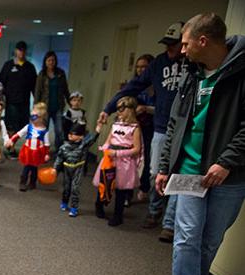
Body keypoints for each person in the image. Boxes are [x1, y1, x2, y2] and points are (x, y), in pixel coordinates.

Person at [155, 13, 245, 275]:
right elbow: (176, 123)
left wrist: (227, 162)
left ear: (202, 41)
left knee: (210, 240)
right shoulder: (192, 74)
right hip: (190, 170)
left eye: (185, 42)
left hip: (230, 176)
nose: (182, 50)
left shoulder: (240, 71)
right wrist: (165, 166)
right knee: (187, 238)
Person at [97, 22, 188, 240]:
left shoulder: (193, 65)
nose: (170, 49)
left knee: (179, 176)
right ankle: (154, 211)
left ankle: (169, 222)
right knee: (156, 173)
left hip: (186, 130)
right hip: (161, 127)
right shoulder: (158, 64)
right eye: (167, 44)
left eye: (174, 44)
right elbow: (133, 87)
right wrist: (109, 109)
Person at [94, 97, 143, 226]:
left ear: (130, 110)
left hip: (124, 161)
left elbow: (137, 149)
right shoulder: (115, 124)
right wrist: (104, 148)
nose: (119, 112)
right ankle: (99, 205)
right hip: (110, 158)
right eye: (118, 109)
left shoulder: (135, 127)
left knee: (120, 190)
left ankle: (118, 215)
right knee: (104, 182)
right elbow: (109, 139)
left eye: (122, 109)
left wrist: (118, 153)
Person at [54, 122, 99, 217]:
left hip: (78, 168)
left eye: (74, 134)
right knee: (66, 187)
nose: (70, 135)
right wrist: (55, 169)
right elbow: (59, 158)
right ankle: (64, 202)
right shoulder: (64, 147)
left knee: (75, 188)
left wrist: (98, 128)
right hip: (67, 168)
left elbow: (92, 139)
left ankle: (74, 208)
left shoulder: (83, 145)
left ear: (81, 136)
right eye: (70, 133)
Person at [0, 41, 37, 134]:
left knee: (22, 126)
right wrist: (2, 96)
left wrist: (36, 101)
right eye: (19, 50)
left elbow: (34, 85)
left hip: (24, 101)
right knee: (11, 125)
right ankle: (10, 145)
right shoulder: (8, 65)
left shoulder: (30, 67)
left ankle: (17, 143)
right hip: (11, 101)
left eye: (23, 50)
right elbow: (1, 82)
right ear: (16, 51)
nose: (21, 53)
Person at [10, 102, 50, 191]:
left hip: (37, 152)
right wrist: (12, 140)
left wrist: (46, 154)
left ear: (41, 118)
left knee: (34, 168)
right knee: (26, 167)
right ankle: (23, 182)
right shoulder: (29, 127)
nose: (32, 119)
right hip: (28, 150)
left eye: (34, 117)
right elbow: (19, 134)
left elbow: (47, 143)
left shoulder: (44, 131)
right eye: (31, 116)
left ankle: (32, 183)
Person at [34, 50, 70, 149]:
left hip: (58, 106)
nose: (51, 62)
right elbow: (37, 91)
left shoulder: (60, 73)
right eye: (49, 60)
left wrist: (70, 101)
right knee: (43, 129)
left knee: (59, 130)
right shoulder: (42, 74)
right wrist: (36, 108)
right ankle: (42, 149)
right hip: (45, 107)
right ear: (45, 61)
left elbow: (65, 89)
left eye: (53, 60)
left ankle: (59, 150)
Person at [134, 54, 156, 201]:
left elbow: (162, 108)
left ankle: (144, 187)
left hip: (151, 126)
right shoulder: (134, 85)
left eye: (144, 67)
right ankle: (126, 192)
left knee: (147, 158)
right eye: (138, 67)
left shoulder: (157, 85)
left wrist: (146, 108)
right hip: (134, 126)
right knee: (130, 158)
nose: (141, 70)